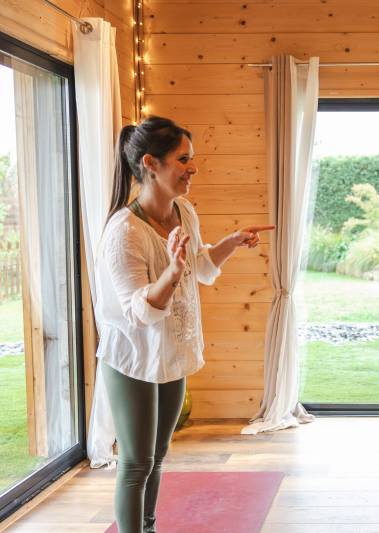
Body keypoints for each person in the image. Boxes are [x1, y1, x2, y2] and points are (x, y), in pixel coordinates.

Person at [96, 116, 273, 533]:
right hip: (133, 358)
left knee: (158, 456)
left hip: (170, 353)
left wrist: (231, 241)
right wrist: (171, 272)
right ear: (150, 164)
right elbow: (139, 310)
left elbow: (200, 267)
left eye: (192, 159)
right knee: (137, 462)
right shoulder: (123, 232)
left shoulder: (184, 211)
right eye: (184, 159)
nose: (193, 167)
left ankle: (150, 528)